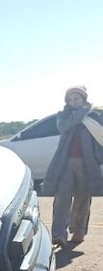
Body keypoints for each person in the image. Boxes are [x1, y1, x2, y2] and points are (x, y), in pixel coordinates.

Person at [43, 85, 103, 246]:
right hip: (66, 162)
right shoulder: (63, 116)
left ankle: (79, 231)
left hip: (87, 162)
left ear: (83, 98)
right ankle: (58, 234)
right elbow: (65, 127)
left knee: (83, 198)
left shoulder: (95, 116)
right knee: (62, 198)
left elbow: (99, 138)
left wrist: (99, 158)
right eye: (70, 99)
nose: (73, 101)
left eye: (76, 98)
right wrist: (82, 112)